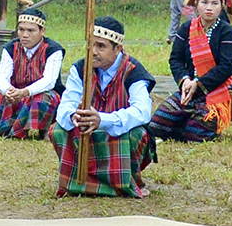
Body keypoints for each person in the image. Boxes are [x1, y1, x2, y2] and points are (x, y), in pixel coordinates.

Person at [51, 17, 158, 197]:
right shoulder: (80, 68)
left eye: (101, 46)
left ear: (118, 49)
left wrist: (104, 120)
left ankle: (124, 182)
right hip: (87, 129)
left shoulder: (133, 71)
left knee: (137, 135)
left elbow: (143, 111)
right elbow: (66, 103)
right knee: (58, 131)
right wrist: (73, 116)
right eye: (90, 45)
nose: (93, 51)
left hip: (118, 130)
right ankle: (79, 180)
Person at [147, 0, 232, 143]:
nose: (209, 7)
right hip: (189, 90)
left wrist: (198, 83)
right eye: (204, 2)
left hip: (216, 91)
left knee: (195, 134)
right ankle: (183, 122)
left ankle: (190, 125)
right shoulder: (186, 28)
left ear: (222, 6)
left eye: (215, 3)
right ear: (197, 4)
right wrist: (185, 81)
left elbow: (227, 67)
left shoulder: (227, 32)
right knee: (157, 125)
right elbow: (175, 59)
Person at [0, 7, 66, 138]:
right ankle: (15, 129)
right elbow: (1, 77)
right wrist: (8, 90)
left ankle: (40, 130)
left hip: (43, 95)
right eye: (21, 30)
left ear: (42, 31)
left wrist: (25, 92)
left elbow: (49, 81)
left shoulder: (54, 50)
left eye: (31, 30)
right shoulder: (10, 48)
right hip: (17, 92)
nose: (25, 35)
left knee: (41, 100)